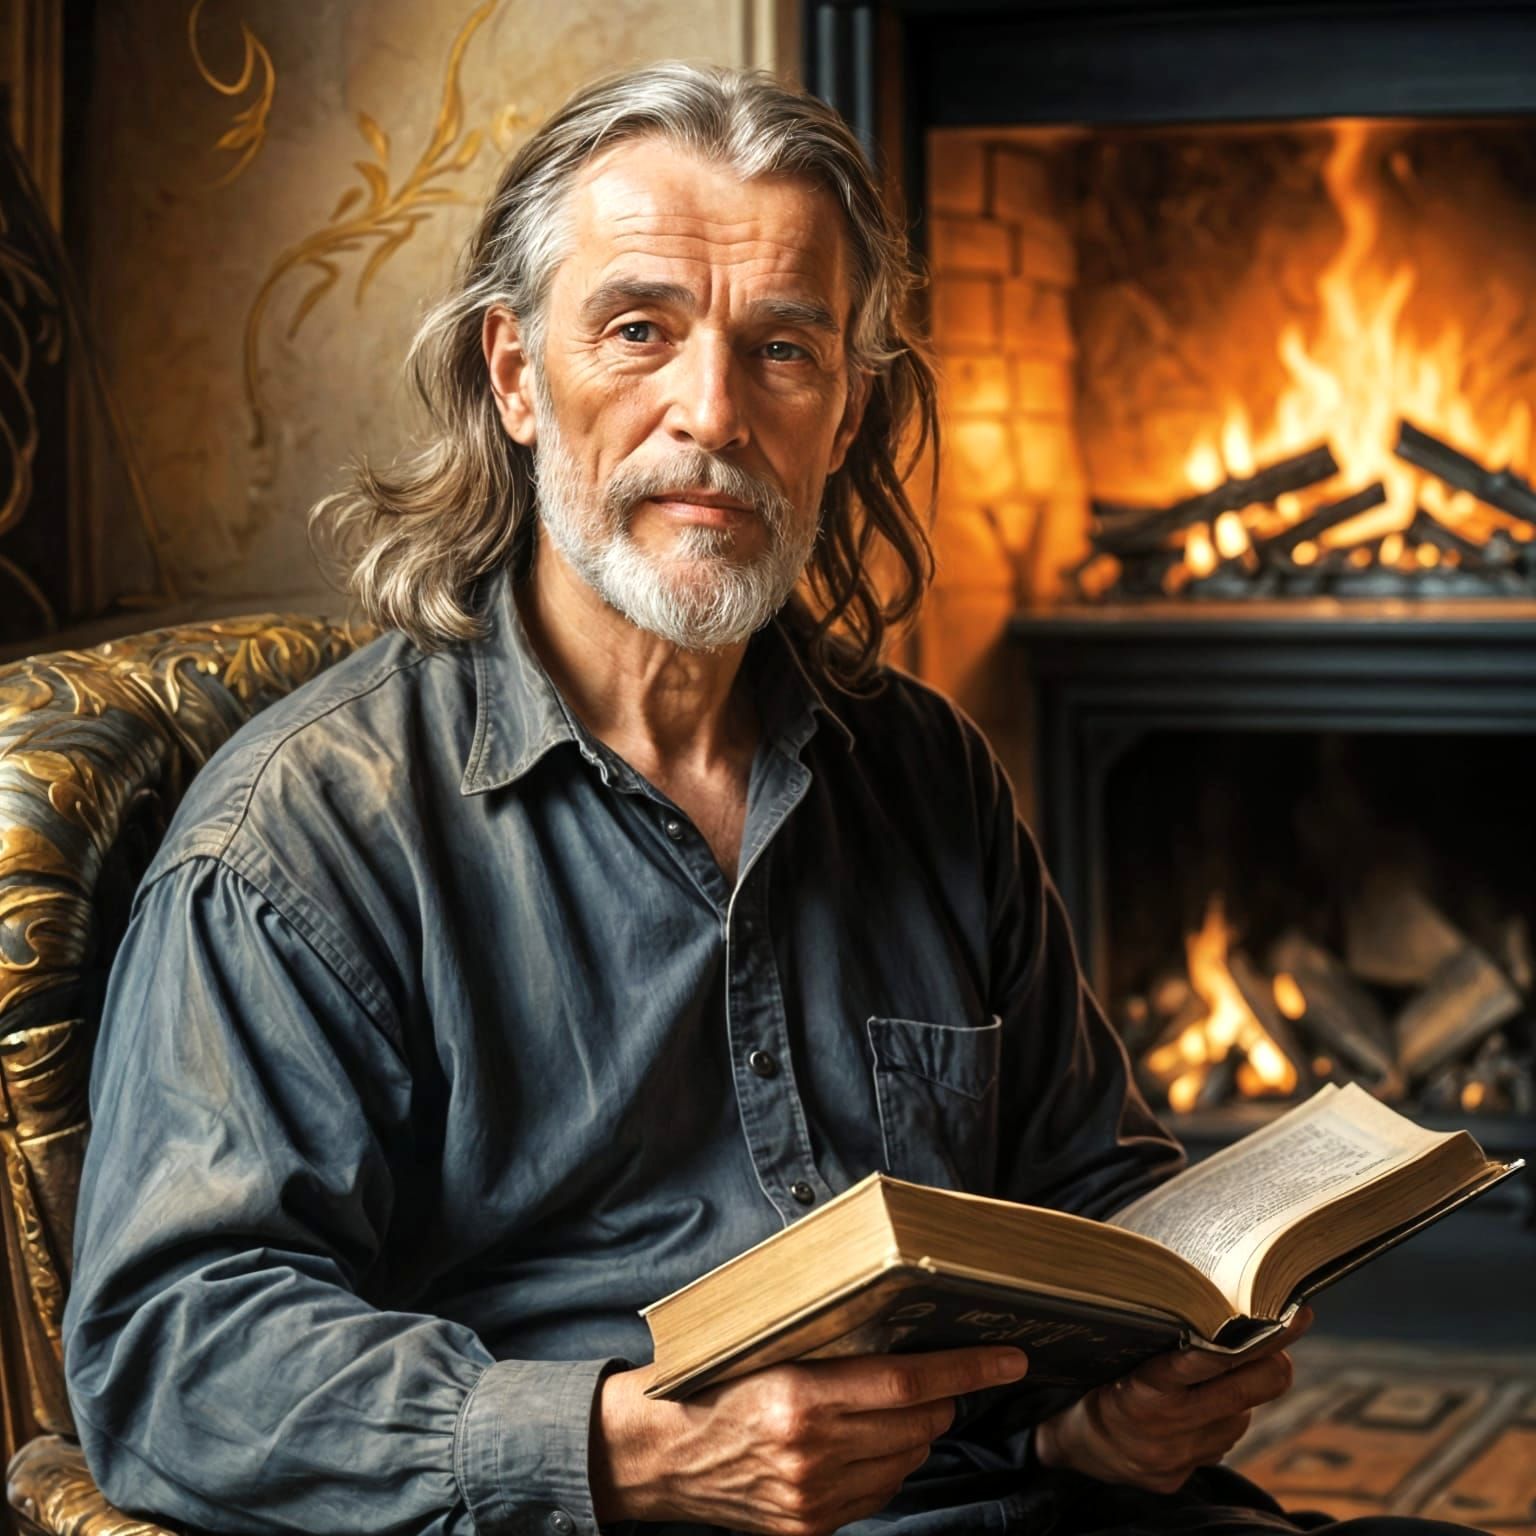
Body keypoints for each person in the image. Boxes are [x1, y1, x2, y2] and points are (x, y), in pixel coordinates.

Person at [63, 63, 1466, 1536]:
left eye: (783, 349)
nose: (713, 412)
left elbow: (1088, 1185)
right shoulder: (302, 836)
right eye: (638, 331)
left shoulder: (923, 767)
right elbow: (174, 1357)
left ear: (847, 411)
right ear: (516, 377)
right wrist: (628, 1452)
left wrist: (1129, 1401)